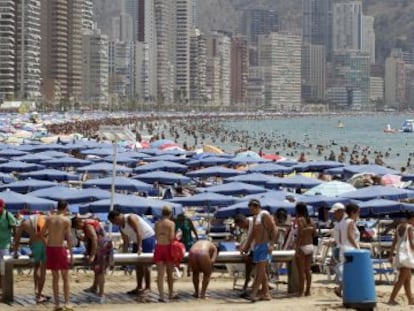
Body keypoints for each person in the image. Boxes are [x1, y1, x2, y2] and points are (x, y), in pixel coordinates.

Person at [108, 210, 156, 294]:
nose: (114, 224)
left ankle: (148, 287)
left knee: (146, 263)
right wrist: (124, 255)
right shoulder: (121, 227)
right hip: (136, 241)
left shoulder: (130, 218)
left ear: (116, 217)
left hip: (147, 238)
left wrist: (140, 247)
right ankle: (139, 286)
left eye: (114, 222)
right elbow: (126, 241)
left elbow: (139, 232)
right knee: (138, 264)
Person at [241, 199, 278, 302]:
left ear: (257, 207)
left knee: (260, 271)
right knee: (262, 272)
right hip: (257, 247)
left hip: (265, 245)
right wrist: (246, 247)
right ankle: (266, 294)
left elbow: (274, 229)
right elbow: (252, 234)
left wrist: (272, 244)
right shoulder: (255, 218)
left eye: (252, 209)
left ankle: (253, 293)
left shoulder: (264, 215)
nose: (251, 211)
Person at [72, 217, 113, 303]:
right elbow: (91, 238)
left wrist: (92, 255)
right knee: (97, 269)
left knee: (100, 270)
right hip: (102, 245)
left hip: (102, 247)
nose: (78, 229)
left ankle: (101, 294)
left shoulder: (87, 226)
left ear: (79, 222)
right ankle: (94, 287)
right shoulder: (88, 223)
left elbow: (94, 239)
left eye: (77, 226)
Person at [42, 200, 73, 311]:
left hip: (50, 248)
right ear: (65, 207)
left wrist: (47, 245)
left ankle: (57, 304)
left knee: (55, 277)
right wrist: (71, 254)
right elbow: (69, 238)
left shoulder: (49, 218)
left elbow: (42, 234)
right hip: (60, 248)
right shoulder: (66, 220)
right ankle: (67, 302)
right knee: (65, 277)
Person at [13, 213, 49, 303]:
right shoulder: (45, 218)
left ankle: (37, 291)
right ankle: (40, 294)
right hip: (45, 243)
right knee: (43, 269)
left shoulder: (25, 222)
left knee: (37, 266)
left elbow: (17, 238)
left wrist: (15, 252)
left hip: (35, 245)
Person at [388, 212, 414, 306]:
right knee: (402, 279)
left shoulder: (399, 226)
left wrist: (391, 255)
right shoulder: (410, 227)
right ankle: (391, 299)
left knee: (407, 279)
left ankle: (411, 300)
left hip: (400, 254)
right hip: (406, 256)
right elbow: (411, 243)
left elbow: (394, 242)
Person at [337, 203, 361, 298]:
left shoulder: (342, 222)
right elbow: (350, 236)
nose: (358, 215)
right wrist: (357, 248)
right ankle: (347, 290)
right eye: (358, 212)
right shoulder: (350, 222)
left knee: (348, 272)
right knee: (353, 272)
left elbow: (340, 237)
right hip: (351, 249)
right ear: (352, 212)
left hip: (343, 248)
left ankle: (340, 289)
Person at [154, 206, 176, 302]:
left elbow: (155, 236)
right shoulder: (171, 223)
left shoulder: (157, 223)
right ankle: (170, 294)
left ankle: (161, 295)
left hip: (158, 247)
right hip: (167, 247)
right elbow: (171, 237)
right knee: (169, 273)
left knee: (160, 274)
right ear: (170, 213)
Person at [295, 202, 317, 296]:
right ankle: (308, 291)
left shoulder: (300, 219)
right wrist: (309, 229)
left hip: (302, 246)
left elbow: (300, 235)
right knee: (308, 270)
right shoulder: (311, 220)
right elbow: (315, 234)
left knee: (301, 271)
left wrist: (296, 248)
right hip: (310, 245)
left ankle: (300, 292)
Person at [329, 203, 346, 297]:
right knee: (343, 271)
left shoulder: (344, 223)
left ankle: (340, 289)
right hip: (341, 249)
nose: (334, 214)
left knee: (344, 271)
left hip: (344, 249)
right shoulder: (339, 223)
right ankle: (340, 289)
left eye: (335, 212)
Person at [234, 214, 254, 292]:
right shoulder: (246, 227)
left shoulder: (253, 222)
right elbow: (248, 239)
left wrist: (244, 249)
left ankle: (248, 281)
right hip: (253, 247)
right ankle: (247, 279)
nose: (241, 228)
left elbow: (251, 239)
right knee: (247, 260)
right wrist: (244, 249)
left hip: (260, 246)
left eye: (240, 225)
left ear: (243, 222)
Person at [0, 199, 17, 293]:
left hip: (5, 245)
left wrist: (14, 242)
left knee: (4, 268)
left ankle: (4, 288)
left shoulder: (7, 215)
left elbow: (14, 228)